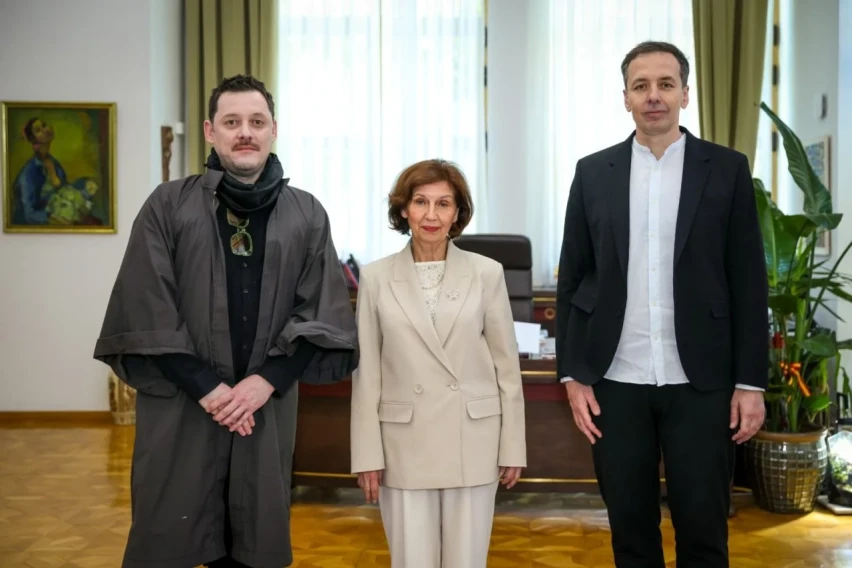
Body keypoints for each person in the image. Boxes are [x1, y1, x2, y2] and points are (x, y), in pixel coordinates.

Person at [93, 74, 358, 568]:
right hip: (183, 402)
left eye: (256, 122)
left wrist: (265, 382)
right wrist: (209, 389)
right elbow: (148, 306)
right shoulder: (168, 205)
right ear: (210, 131)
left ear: (274, 129)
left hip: (264, 408)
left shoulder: (307, 213)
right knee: (174, 527)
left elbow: (319, 311)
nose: (245, 133)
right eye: (232, 122)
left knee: (253, 536)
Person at [556, 41, 768, 568]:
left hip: (703, 383)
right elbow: (573, 278)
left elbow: (748, 281)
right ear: (626, 98)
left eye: (665, 84)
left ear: (685, 94)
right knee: (630, 536)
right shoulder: (592, 172)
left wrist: (751, 383)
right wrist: (572, 373)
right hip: (615, 381)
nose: (654, 96)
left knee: (704, 535)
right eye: (641, 86)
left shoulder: (727, 169)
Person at [350, 159, 526, 568]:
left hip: (473, 440)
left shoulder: (487, 273)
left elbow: (507, 370)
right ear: (403, 209)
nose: (431, 215)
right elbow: (367, 375)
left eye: (443, 203)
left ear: (457, 213)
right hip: (402, 444)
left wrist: (513, 445)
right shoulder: (376, 278)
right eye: (420, 202)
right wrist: (367, 455)